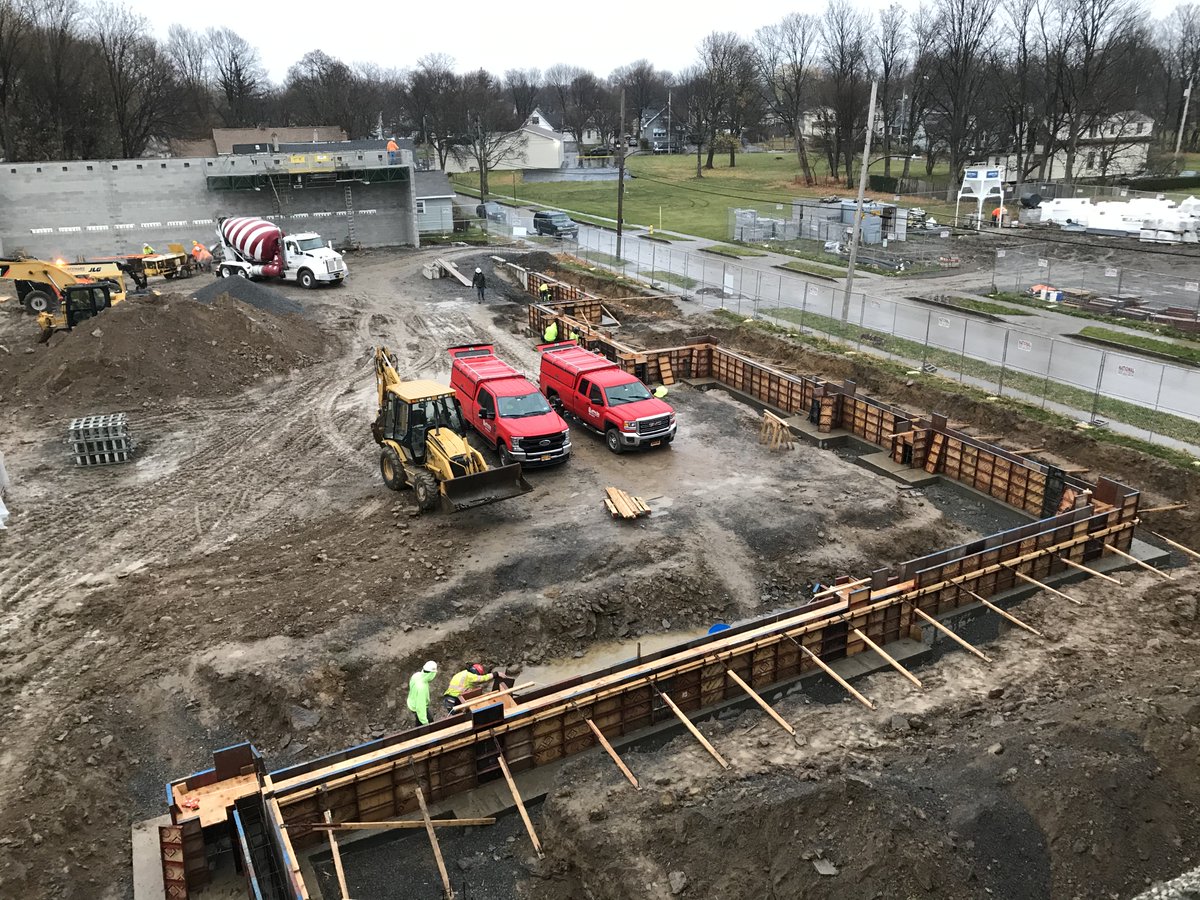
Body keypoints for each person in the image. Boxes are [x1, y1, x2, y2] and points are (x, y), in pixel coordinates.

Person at [406, 660, 438, 727]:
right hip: (416, 707)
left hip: (412, 702)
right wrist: (425, 723)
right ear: (431, 674)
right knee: (427, 722)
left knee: (422, 720)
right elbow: (420, 707)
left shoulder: (416, 675)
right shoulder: (421, 688)